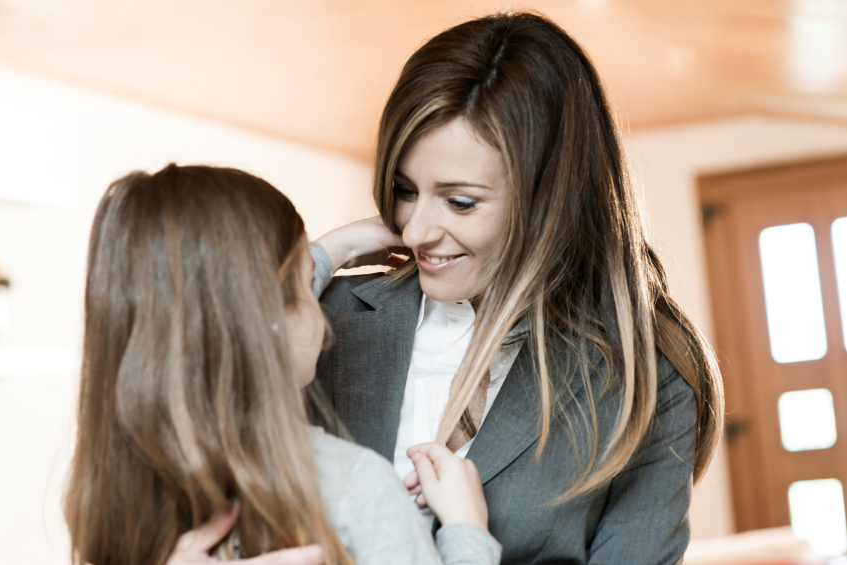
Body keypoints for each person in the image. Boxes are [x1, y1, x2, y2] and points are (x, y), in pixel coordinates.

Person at [308, 10, 724, 564]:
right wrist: (325, 252)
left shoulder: (647, 378)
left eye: (460, 201)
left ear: (549, 201)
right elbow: (197, 364)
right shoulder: (327, 318)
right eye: (406, 190)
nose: (414, 230)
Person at [62, 164, 502, 565]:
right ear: (270, 322)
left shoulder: (116, 491)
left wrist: (336, 247)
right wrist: (467, 532)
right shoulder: (355, 488)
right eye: (305, 285)